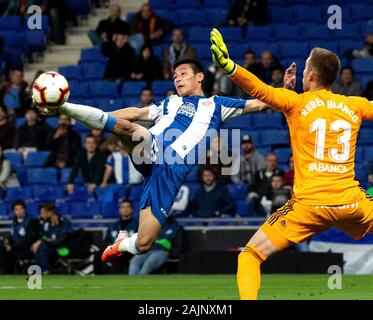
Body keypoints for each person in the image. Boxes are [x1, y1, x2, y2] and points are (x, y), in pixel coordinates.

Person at [34, 58, 269, 261]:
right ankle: (63, 107)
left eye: (183, 74)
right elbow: (135, 114)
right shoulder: (169, 103)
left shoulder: (217, 104)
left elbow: (259, 104)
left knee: (144, 243)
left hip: (169, 175)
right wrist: (102, 122)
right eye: (175, 76)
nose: (177, 79)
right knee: (132, 130)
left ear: (199, 77)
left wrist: (285, 91)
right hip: (154, 149)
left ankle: (121, 242)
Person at [210, 28, 373, 299]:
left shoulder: (295, 102)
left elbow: (260, 90)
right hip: (351, 203)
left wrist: (229, 66)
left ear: (310, 75)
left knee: (250, 255)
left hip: (308, 206)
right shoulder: (354, 105)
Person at [96, 199, 138, 274]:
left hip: (129, 251)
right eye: (123, 207)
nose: (125, 209)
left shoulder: (137, 225)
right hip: (114, 250)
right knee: (98, 254)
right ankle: (98, 277)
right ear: (119, 210)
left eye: (128, 207)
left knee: (120, 257)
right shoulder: (113, 225)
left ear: (132, 210)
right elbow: (107, 240)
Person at [0, 200, 39, 274]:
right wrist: (8, 240)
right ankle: (4, 274)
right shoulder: (14, 221)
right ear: (13, 211)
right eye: (16, 209)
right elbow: (14, 236)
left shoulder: (32, 221)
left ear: (24, 209)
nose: (19, 211)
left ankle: (6, 272)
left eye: (21, 208)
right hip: (16, 248)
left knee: (6, 253)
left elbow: (30, 240)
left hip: (27, 249)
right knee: (2, 247)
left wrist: (12, 247)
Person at [33, 203, 73, 273]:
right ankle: (42, 270)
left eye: (43, 213)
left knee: (42, 246)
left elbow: (61, 241)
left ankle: (44, 270)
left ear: (50, 212)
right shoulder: (45, 223)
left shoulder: (65, 222)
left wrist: (42, 242)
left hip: (64, 249)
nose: (41, 215)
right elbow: (43, 236)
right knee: (39, 247)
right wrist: (39, 241)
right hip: (50, 249)